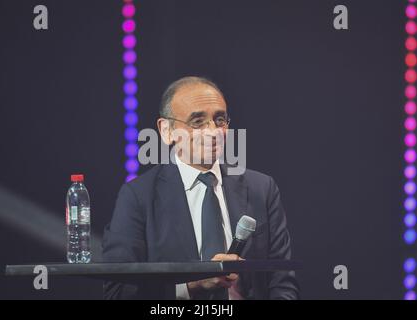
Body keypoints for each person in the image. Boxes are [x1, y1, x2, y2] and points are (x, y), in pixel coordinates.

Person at [102, 76, 299, 299]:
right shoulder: (138, 197)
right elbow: (118, 292)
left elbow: (283, 284)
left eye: (220, 120)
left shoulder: (261, 189)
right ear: (166, 130)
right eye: (197, 122)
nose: (213, 131)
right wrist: (192, 286)